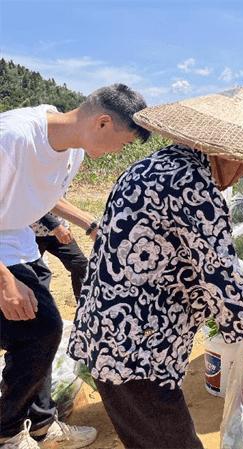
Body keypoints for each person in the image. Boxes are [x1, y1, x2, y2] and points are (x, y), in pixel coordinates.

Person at [67, 88, 243, 449]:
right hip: (135, 354)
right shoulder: (193, 186)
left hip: (115, 342)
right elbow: (228, 293)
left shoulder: (152, 166)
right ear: (226, 153)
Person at [0, 84, 149, 449]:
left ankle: (40, 425)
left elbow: (47, 193)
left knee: (42, 335)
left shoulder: (72, 150)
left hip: (17, 242)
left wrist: (90, 224)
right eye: (125, 142)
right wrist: (4, 282)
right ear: (102, 123)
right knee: (40, 330)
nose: (121, 151)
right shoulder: (13, 137)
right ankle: (6, 431)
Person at [31, 198, 98, 299]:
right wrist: (56, 226)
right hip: (31, 234)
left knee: (79, 263)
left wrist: (65, 225)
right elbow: (30, 202)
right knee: (36, 275)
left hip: (58, 233)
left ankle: (82, 302)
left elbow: (60, 202)